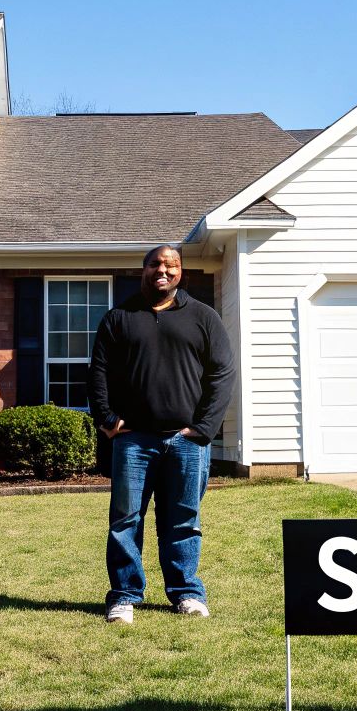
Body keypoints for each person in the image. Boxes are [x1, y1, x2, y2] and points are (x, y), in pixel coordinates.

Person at [88, 243, 235, 624]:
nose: (163, 271)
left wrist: (203, 430)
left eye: (172, 265)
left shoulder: (203, 317)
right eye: (156, 264)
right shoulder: (119, 318)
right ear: (144, 269)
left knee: (183, 520)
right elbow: (98, 373)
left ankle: (186, 593)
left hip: (186, 443)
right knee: (125, 521)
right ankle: (123, 596)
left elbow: (222, 374)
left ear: (181, 272)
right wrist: (108, 421)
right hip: (134, 442)